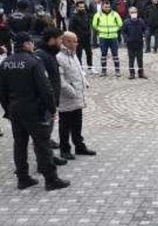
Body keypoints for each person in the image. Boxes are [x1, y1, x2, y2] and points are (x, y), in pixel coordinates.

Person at [0, 32, 70, 191]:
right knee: (42, 144)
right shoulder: (34, 62)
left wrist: (8, 109)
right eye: (31, 43)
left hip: (15, 109)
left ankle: (23, 178)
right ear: (26, 44)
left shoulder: (5, 63)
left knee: (19, 144)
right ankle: (51, 179)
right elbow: (45, 89)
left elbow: (1, 91)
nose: (33, 45)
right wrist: (52, 109)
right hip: (33, 109)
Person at [56, 31, 95, 161]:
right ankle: (65, 149)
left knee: (77, 123)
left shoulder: (73, 54)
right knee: (65, 125)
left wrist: (85, 83)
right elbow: (61, 81)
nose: (76, 43)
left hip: (78, 95)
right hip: (67, 98)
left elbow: (79, 71)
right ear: (65, 42)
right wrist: (72, 92)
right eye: (73, 41)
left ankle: (79, 145)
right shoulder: (59, 57)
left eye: (76, 41)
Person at [34, 27, 68, 167]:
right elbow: (42, 82)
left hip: (52, 98)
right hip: (44, 102)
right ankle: (45, 161)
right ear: (52, 39)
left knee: (47, 133)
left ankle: (48, 157)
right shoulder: (41, 56)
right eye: (60, 39)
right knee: (43, 134)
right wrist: (49, 102)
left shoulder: (50, 53)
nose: (61, 42)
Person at [92, 1, 123, 77]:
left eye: (108, 7)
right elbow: (94, 24)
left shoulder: (114, 14)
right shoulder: (98, 14)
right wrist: (100, 30)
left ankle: (117, 70)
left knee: (115, 54)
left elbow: (120, 24)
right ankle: (103, 70)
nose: (107, 8)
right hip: (103, 37)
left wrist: (115, 29)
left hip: (113, 37)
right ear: (102, 7)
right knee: (103, 55)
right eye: (105, 7)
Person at [121, 7, 148, 79]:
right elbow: (123, 32)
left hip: (139, 43)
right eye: (132, 12)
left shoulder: (141, 21)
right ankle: (131, 73)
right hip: (130, 44)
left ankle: (141, 73)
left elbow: (145, 29)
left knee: (140, 59)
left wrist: (144, 36)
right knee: (131, 59)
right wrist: (127, 39)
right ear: (129, 13)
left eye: (135, 12)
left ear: (137, 13)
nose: (134, 14)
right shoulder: (126, 22)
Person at [69, 0, 93, 72]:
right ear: (76, 7)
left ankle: (90, 67)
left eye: (83, 7)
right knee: (79, 54)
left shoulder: (86, 14)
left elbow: (88, 26)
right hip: (78, 38)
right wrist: (75, 37)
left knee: (89, 52)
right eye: (80, 7)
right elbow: (71, 28)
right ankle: (80, 68)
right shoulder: (73, 16)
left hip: (86, 38)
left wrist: (89, 34)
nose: (82, 8)